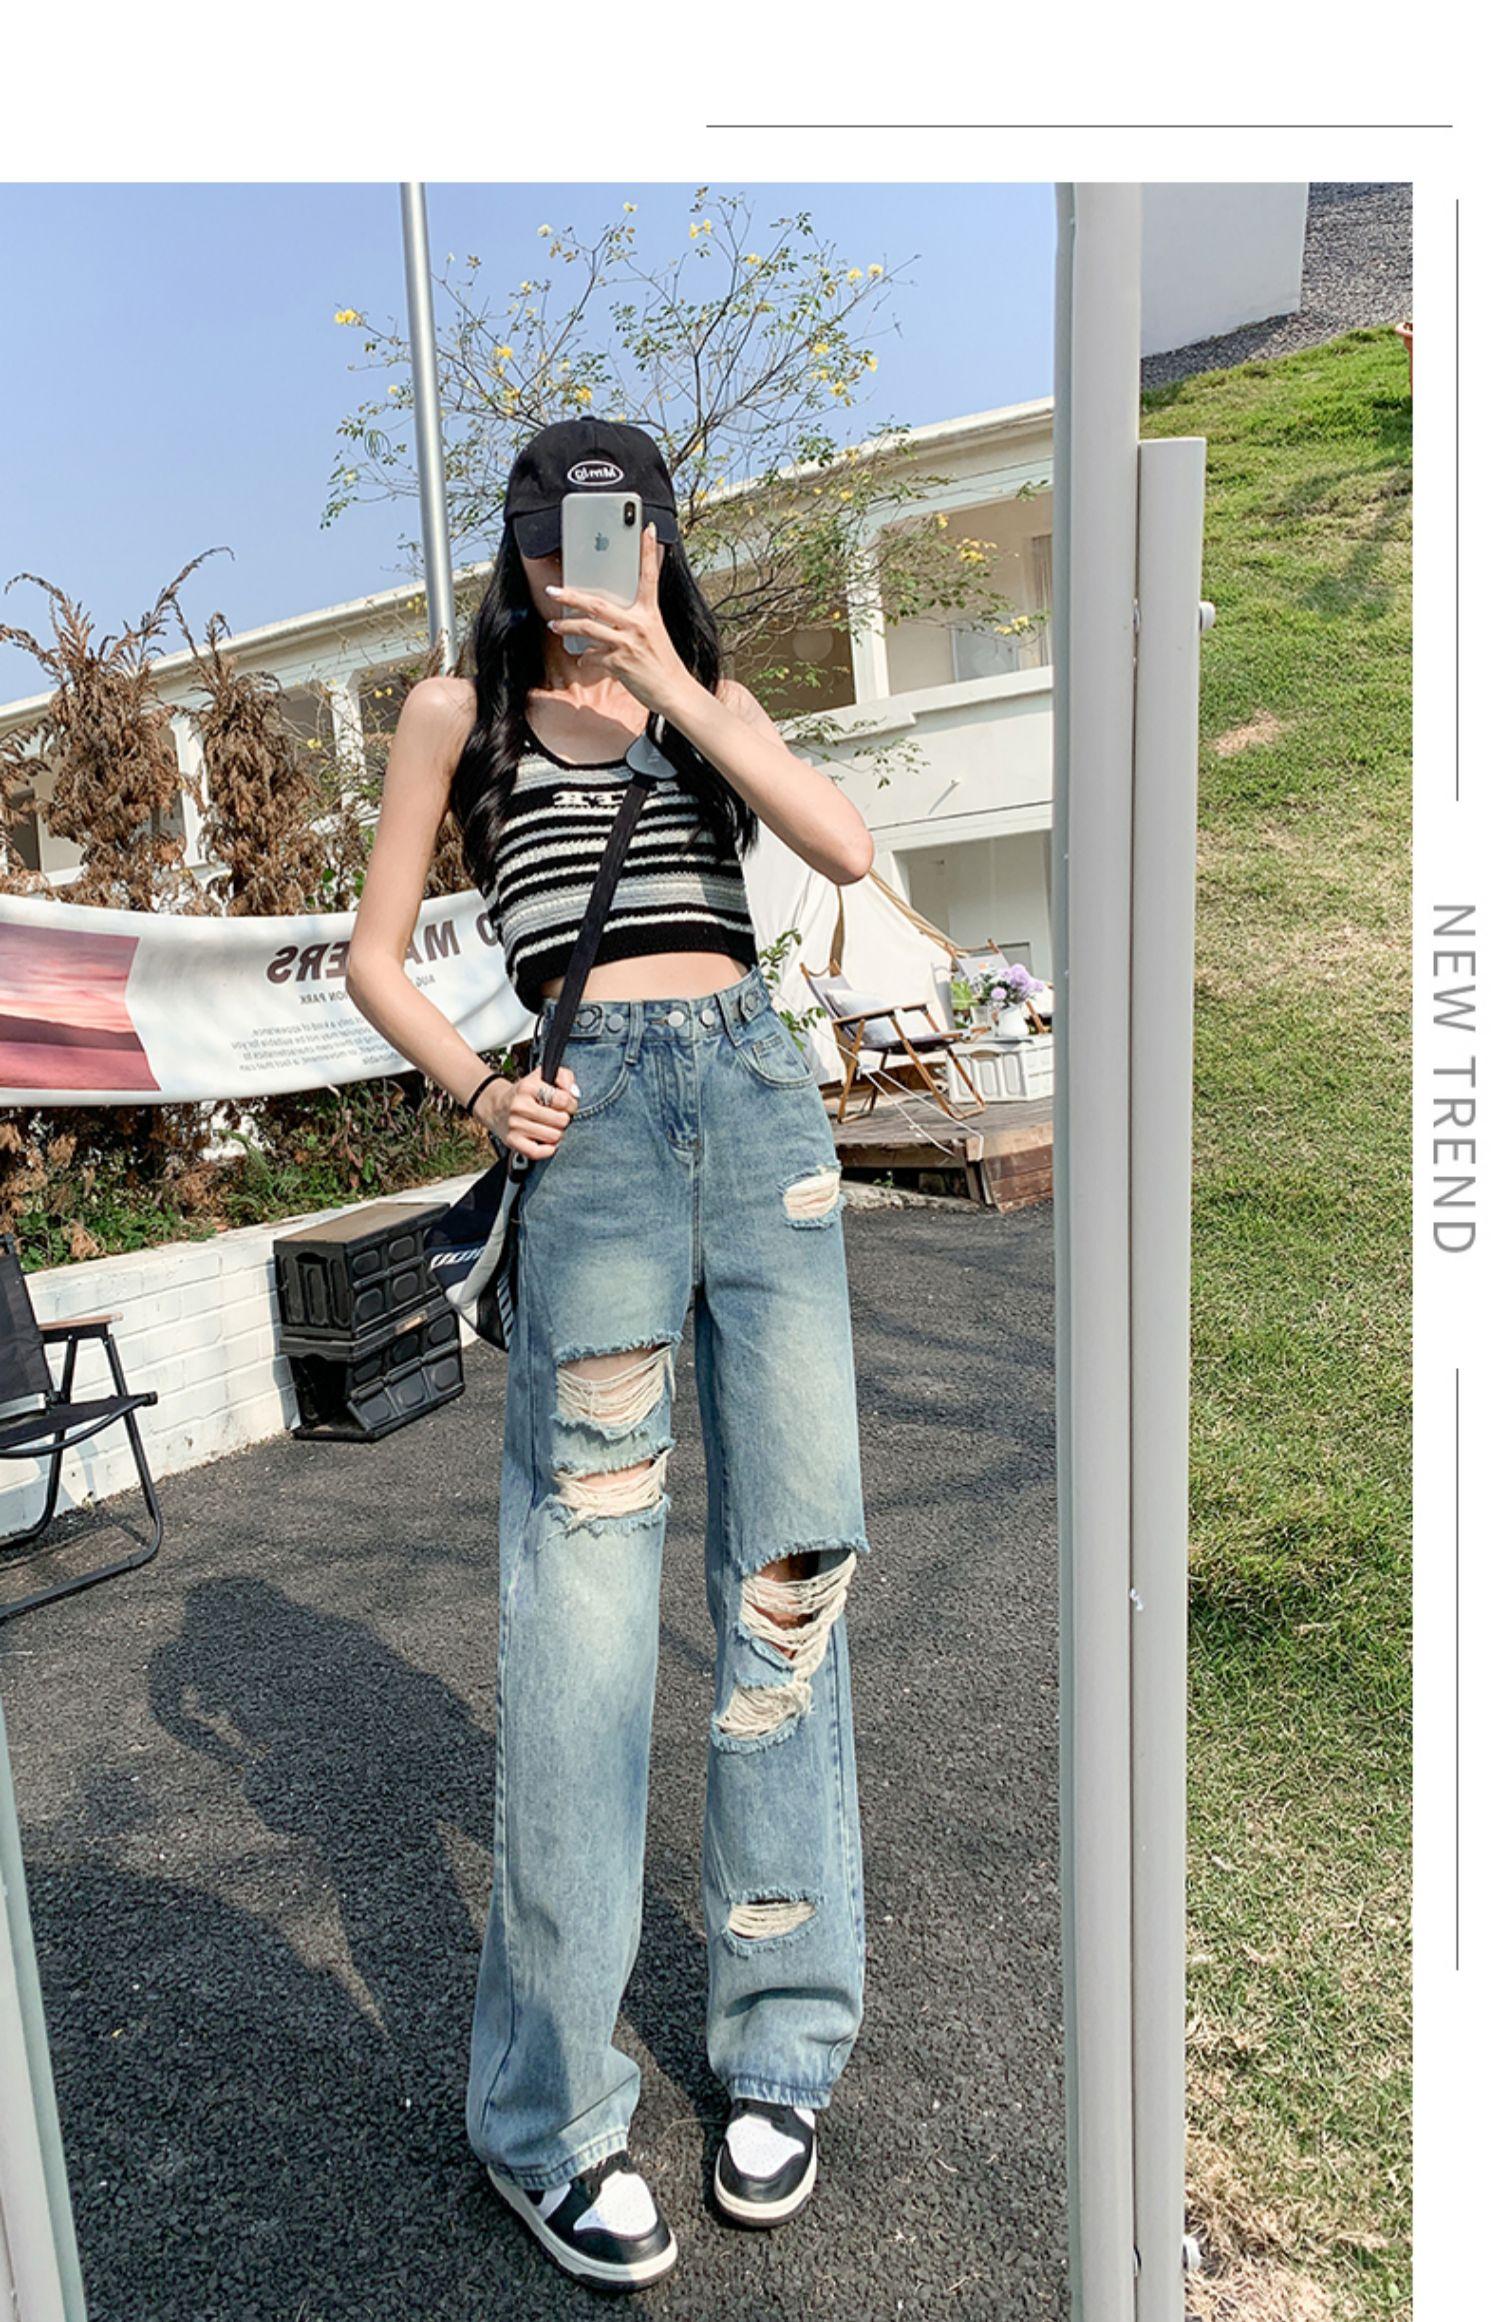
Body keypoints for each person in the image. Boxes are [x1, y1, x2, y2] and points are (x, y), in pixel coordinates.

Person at [347, 417, 875, 2292]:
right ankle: (548, 2114)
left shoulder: (700, 691)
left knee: (789, 1582)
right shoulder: (454, 712)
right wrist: (477, 1087)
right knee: (582, 1630)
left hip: (759, 1111)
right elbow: (376, 954)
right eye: (558, 529)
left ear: (658, 539)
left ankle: (779, 2039)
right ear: (516, 547)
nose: (584, 555)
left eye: (622, 526)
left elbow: (845, 845)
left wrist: (672, 681)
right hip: (593, 1147)